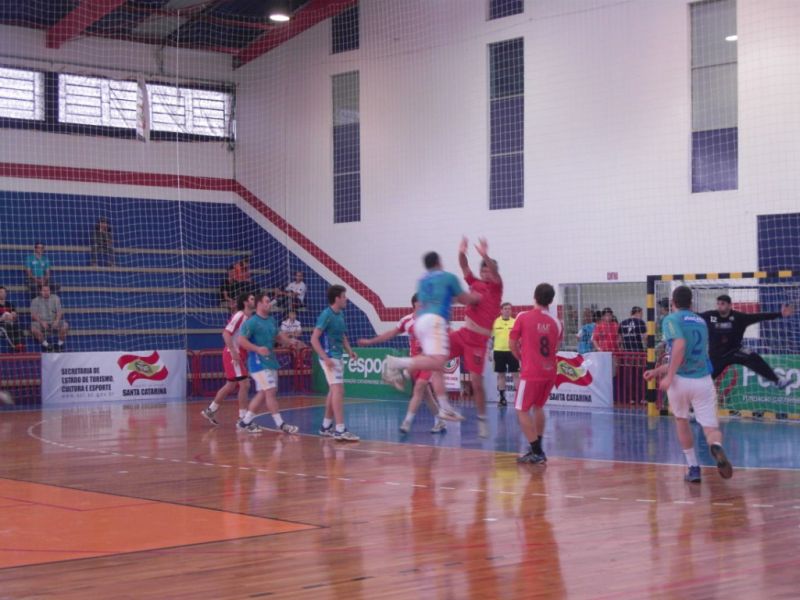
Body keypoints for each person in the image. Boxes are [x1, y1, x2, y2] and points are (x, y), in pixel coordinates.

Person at [644, 286, 733, 483]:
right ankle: (716, 446)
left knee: (681, 421)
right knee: (710, 428)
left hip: (680, 381)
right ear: (691, 302)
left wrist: (668, 376)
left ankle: (693, 468)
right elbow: (687, 355)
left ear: (673, 302)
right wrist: (658, 371)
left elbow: (680, 347)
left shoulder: (671, 319)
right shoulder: (701, 321)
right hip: (703, 381)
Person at [382, 250, 481, 423]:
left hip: (422, 324)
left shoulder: (422, 280)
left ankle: (444, 408)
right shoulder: (447, 277)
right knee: (438, 363)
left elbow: (440, 299)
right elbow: (465, 298)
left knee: (437, 369)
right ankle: (395, 363)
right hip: (435, 322)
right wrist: (477, 298)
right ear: (438, 262)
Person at [357, 294, 447, 434]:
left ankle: (406, 423)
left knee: (419, 387)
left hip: (427, 360)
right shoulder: (407, 321)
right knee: (426, 394)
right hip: (414, 361)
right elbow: (390, 334)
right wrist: (370, 341)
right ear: (414, 304)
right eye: (421, 302)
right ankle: (440, 420)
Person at [447, 237, 503, 436]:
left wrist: (485, 255)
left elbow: (495, 272)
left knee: (476, 383)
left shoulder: (496, 288)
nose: (486, 273)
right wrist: (461, 252)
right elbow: (464, 266)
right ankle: (404, 369)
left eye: (489, 270)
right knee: (436, 355)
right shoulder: (475, 283)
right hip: (463, 334)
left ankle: (482, 419)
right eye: (483, 270)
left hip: (478, 343)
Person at [510, 283, 563, 464]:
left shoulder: (523, 316)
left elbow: (512, 343)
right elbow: (556, 347)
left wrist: (521, 358)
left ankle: (537, 451)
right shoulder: (557, 322)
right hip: (549, 371)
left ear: (534, 296)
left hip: (531, 371)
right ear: (551, 300)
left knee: (521, 410)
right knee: (538, 407)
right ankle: (537, 449)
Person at [236, 291, 302, 433]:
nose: (269, 304)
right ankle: (281, 424)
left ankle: (245, 422)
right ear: (259, 304)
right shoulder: (251, 322)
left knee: (263, 393)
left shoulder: (271, 320)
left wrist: (289, 341)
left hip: (270, 360)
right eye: (266, 301)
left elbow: (277, 336)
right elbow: (241, 340)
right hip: (258, 362)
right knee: (270, 391)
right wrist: (257, 349)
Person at [700, 293, 794, 388]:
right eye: (718, 303)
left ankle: (777, 381)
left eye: (722, 304)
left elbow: (759, 316)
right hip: (717, 356)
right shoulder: (710, 315)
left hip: (734, 351)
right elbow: (696, 316)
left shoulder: (739, 317)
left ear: (729, 305)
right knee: (705, 379)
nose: (719, 306)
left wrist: (780, 314)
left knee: (754, 357)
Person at [311, 285, 360, 441]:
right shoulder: (326, 315)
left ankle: (326, 426)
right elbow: (314, 339)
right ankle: (340, 429)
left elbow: (342, 336)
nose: (346, 299)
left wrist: (349, 351)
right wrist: (325, 358)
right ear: (337, 298)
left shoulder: (340, 314)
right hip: (330, 357)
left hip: (337, 356)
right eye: (344, 296)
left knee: (335, 391)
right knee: (338, 390)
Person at [201, 292, 256, 427]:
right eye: (252, 298)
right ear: (245, 302)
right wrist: (233, 352)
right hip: (233, 354)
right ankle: (242, 419)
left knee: (230, 385)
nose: (254, 300)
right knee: (245, 384)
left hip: (238, 354)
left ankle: (210, 410)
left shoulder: (250, 318)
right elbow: (226, 333)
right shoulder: (239, 315)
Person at [492, 302, 519, 407]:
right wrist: (489, 351)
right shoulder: (495, 322)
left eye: (509, 309)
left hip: (512, 351)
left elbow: (520, 337)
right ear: (501, 310)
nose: (508, 310)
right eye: (505, 309)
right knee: (501, 375)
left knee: (516, 374)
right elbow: (490, 337)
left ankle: (519, 399)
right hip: (499, 351)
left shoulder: (515, 322)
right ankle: (502, 399)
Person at [30, 284, 68, 351]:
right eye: (44, 290)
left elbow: (59, 312)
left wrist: (56, 321)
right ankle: (47, 345)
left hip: (54, 321)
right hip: (41, 322)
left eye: (48, 290)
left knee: (65, 325)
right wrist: (42, 322)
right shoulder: (35, 300)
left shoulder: (56, 298)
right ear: (40, 291)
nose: (46, 292)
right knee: (33, 329)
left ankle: (60, 345)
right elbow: (33, 315)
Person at [0, 286, 24, 352]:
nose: (2, 293)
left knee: (17, 327)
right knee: (7, 327)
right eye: (1, 292)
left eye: (4, 292)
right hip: (1, 325)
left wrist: (13, 316)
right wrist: (2, 318)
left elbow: (15, 317)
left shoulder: (9, 304)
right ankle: (14, 347)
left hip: (10, 323)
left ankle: (20, 345)